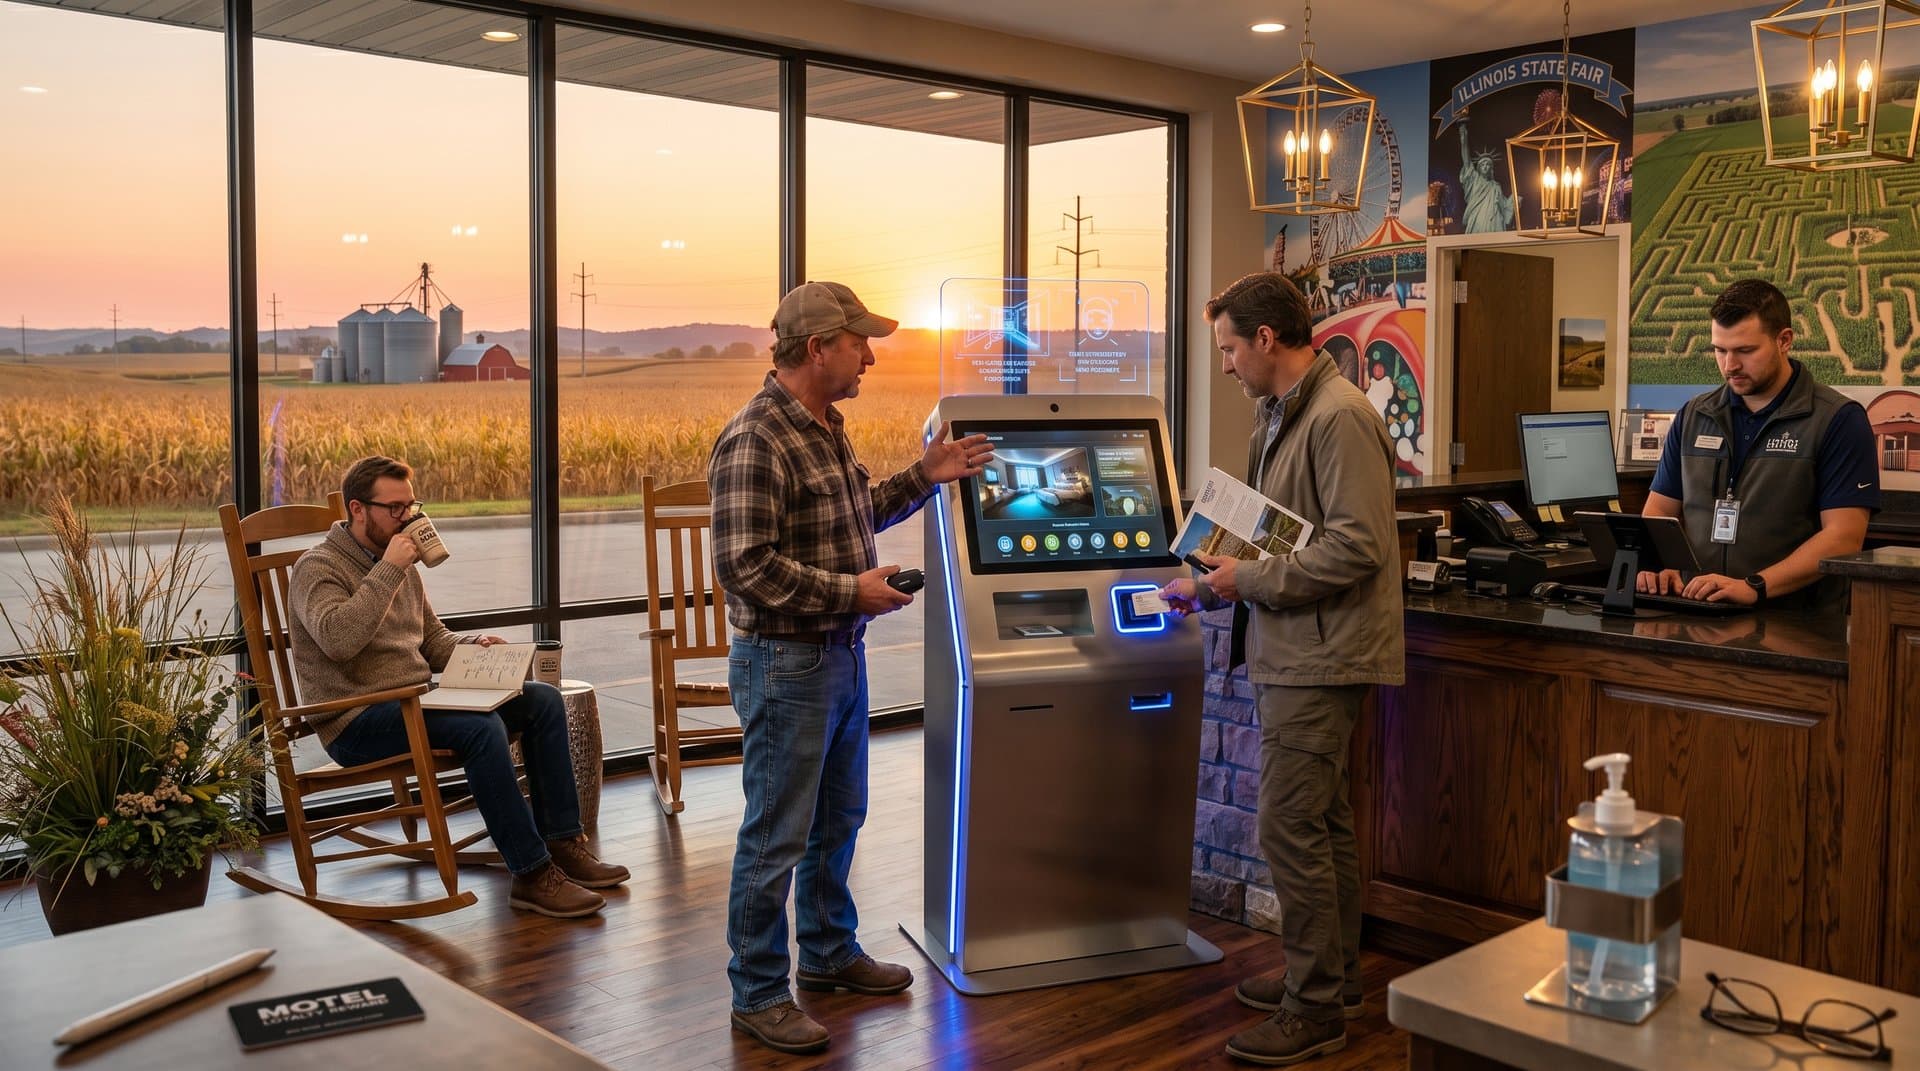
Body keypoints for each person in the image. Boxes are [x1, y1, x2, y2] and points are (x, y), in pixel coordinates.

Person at [710, 280, 993, 1055]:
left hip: (837, 653)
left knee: (838, 820)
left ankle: (829, 953)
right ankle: (759, 992)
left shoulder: (825, 427)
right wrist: (851, 590)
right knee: (775, 837)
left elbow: (854, 513)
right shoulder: (757, 438)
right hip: (787, 663)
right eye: (859, 341)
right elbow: (743, 565)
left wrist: (923, 475)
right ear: (817, 348)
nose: (870, 354)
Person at [1159, 272, 1403, 1066]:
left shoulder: (1339, 418)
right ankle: (1332, 978)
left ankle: (1314, 1010)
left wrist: (1247, 580)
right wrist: (1210, 582)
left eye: (1229, 347)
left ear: (1266, 339)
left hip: (1322, 655)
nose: (1225, 364)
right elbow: (1285, 537)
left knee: (1288, 825)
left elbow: (1356, 545)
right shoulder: (1284, 413)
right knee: (1321, 821)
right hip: (1296, 646)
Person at [288, 455, 628, 919]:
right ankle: (530, 875)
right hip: (356, 719)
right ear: (357, 509)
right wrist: (388, 569)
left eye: (411, 505)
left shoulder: (398, 561)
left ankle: (563, 844)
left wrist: (474, 648)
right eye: (395, 508)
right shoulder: (318, 567)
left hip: (416, 705)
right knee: (480, 728)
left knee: (542, 702)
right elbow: (339, 640)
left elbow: (431, 640)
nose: (409, 518)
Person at [1638, 279, 1879, 611]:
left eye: (1745, 351)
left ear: (1784, 340)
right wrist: (1659, 561)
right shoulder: (1694, 415)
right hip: (1697, 609)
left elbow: (1843, 538)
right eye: (1720, 350)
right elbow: (1659, 511)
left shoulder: (1838, 419)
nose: (1729, 365)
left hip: (1797, 620)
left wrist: (1754, 587)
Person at [1459, 122, 1516, 233]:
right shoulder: (1474, 179)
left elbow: (1504, 207)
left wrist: (1514, 201)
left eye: (1488, 164)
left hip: (1495, 220)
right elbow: (1466, 159)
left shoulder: (1496, 186)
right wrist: (1463, 133)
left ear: (1491, 168)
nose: (1485, 167)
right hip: (1478, 218)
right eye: (1482, 165)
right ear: (1479, 168)